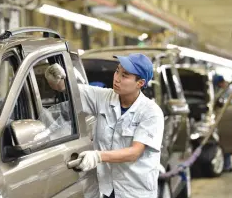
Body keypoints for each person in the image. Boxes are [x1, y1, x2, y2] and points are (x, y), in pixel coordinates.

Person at [45, 53, 164, 198]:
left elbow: (134, 152)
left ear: (140, 83)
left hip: (135, 191)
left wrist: (98, 156)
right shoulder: (103, 97)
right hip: (107, 190)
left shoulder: (151, 112)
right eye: (117, 71)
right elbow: (70, 89)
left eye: (125, 75)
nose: (117, 78)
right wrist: (57, 80)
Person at [213, 74, 232, 172]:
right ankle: (227, 166)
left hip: (227, 121)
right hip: (225, 123)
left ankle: (227, 165)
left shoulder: (229, 91)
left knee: (227, 144)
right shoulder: (219, 93)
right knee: (225, 145)